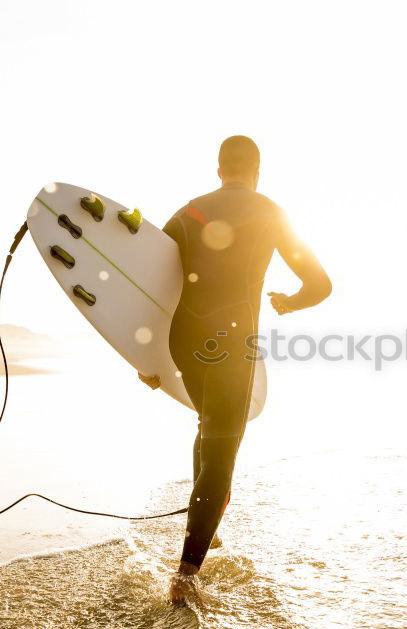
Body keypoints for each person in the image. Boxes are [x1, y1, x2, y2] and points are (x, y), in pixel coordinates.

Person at [138, 135, 332, 605]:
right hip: (231, 344)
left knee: (208, 429)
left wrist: (145, 357)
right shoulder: (271, 213)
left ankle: (206, 531)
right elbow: (320, 284)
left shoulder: (187, 213)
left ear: (219, 168)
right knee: (223, 448)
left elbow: (148, 280)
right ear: (257, 170)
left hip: (182, 341)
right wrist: (290, 302)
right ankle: (184, 576)